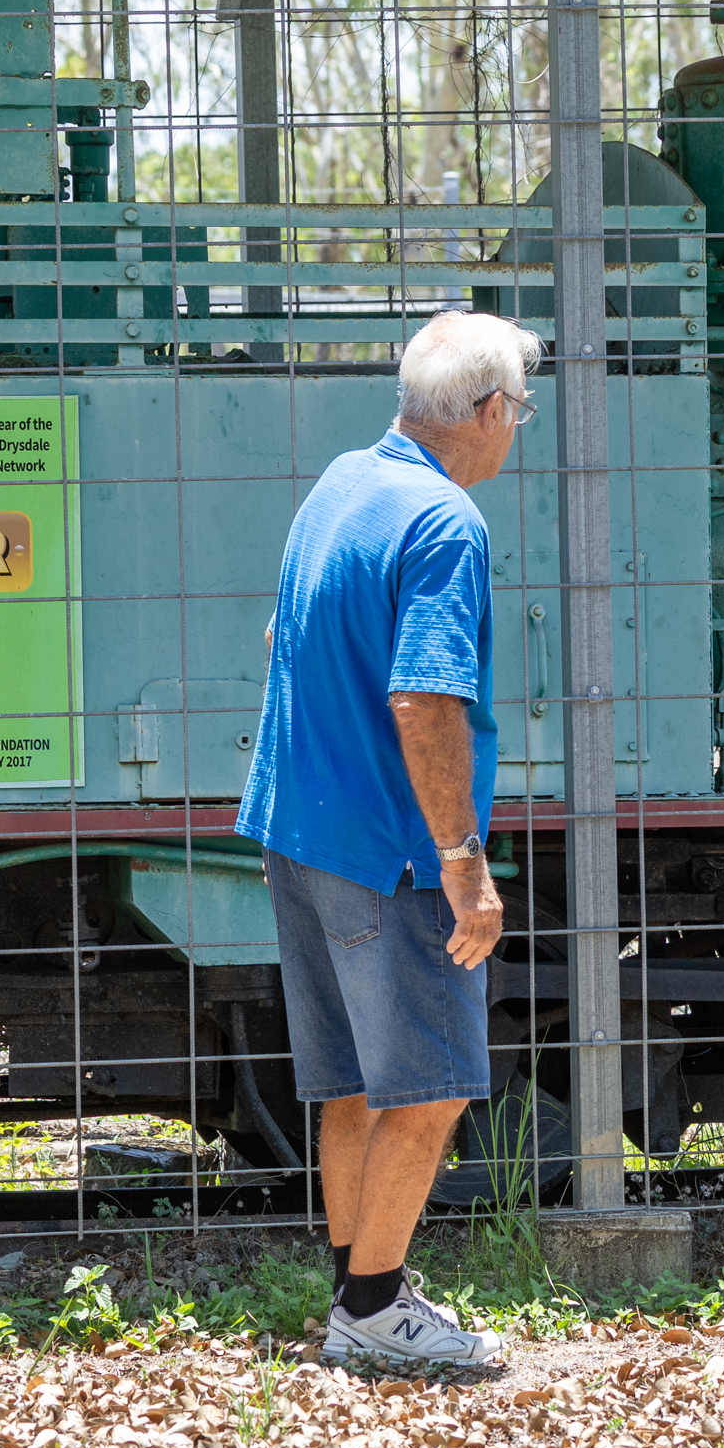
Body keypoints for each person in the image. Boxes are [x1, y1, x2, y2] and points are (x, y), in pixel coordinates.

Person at [237, 310, 543, 1380]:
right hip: (390, 848)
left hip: (298, 827)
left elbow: (285, 635)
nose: (520, 429)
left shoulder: (342, 483)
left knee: (352, 1086)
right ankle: (372, 1312)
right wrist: (463, 860)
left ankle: (354, 1294)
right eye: (522, 410)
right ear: (490, 409)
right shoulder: (445, 524)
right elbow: (425, 698)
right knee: (432, 1084)